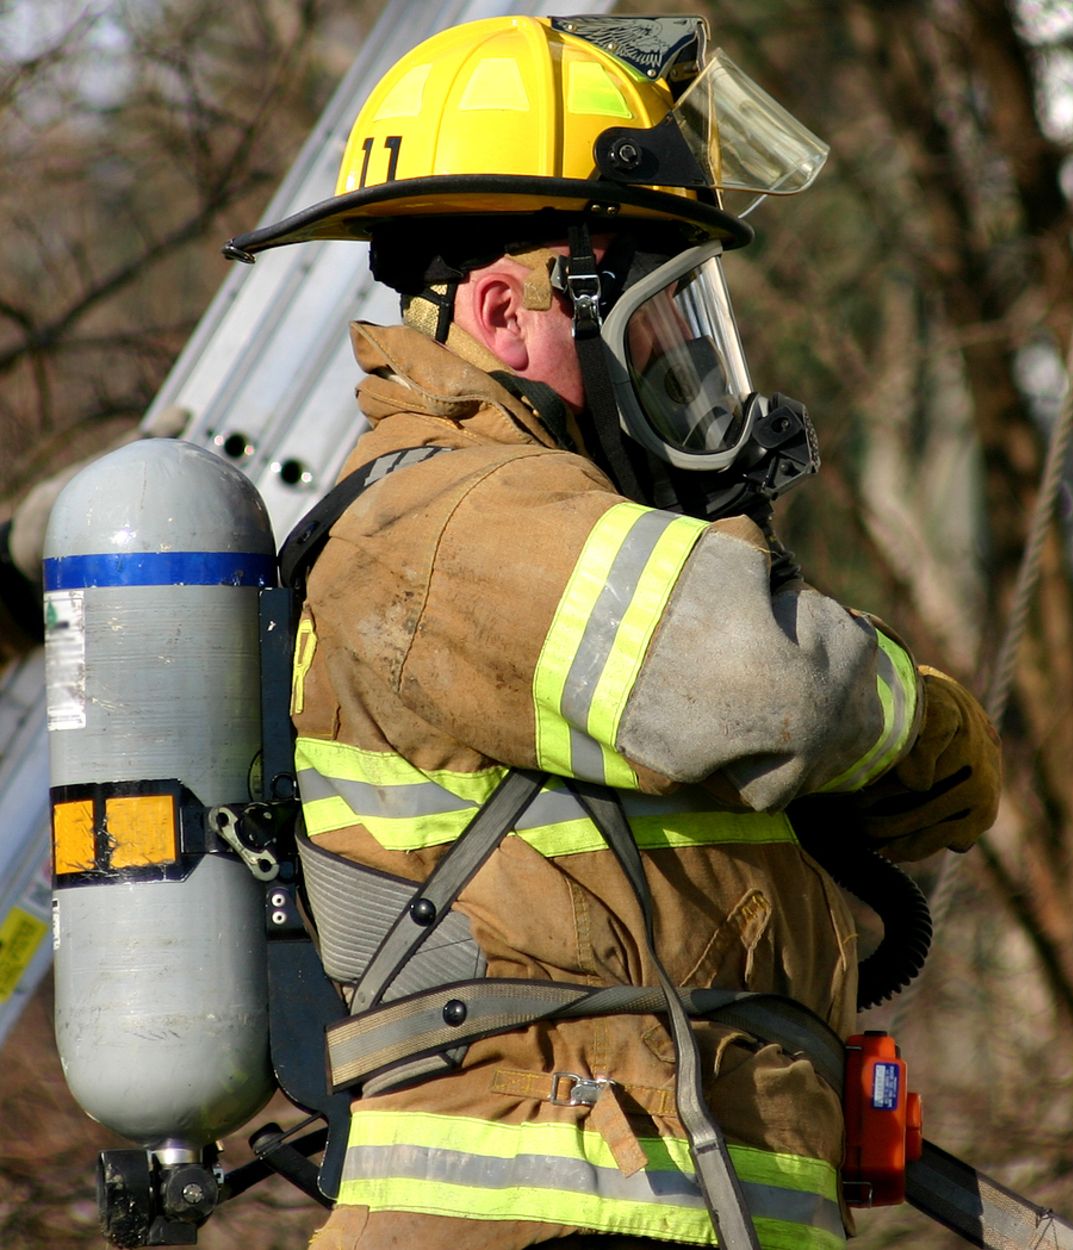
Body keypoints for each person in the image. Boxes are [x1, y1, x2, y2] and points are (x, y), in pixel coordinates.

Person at [222, 15, 1000, 1250]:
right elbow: (768, 684)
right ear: (503, 309)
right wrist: (921, 720)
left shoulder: (553, 529)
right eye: (652, 314)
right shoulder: (448, 517)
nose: (673, 360)